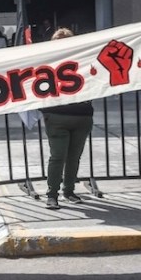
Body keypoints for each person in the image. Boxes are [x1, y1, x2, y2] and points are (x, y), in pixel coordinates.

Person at [41, 28, 95, 210]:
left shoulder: (81, 60)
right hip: (61, 115)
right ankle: (54, 194)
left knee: (72, 157)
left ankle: (65, 191)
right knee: (59, 156)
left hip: (78, 115)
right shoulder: (80, 60)